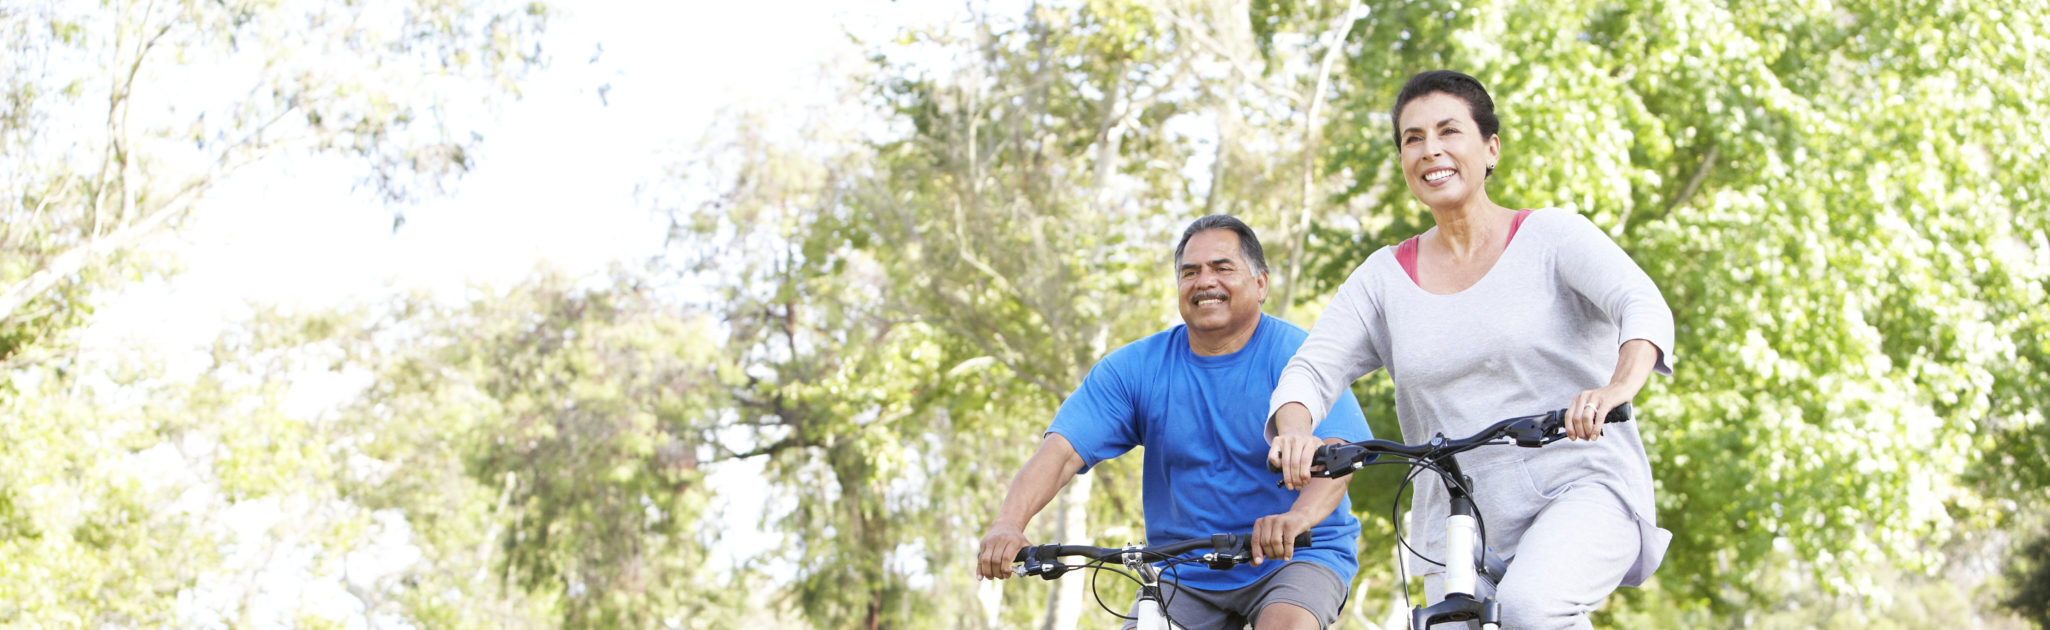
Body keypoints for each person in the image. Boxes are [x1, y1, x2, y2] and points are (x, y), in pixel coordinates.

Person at [1264, 70, 1676, 630]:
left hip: (1580, 485)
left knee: (1531, 608)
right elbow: (1311, 369)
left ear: (1490, 148)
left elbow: (1642, 307)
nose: (1429, 149)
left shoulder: (1552, 237)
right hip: (1453, 521)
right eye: (1412, 138)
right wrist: (1294, 429)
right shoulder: (1383, 278)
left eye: (1448, 131)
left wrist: (1616, 388)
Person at [975, 215, 1374, 630]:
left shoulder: (1301, 357)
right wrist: (1008, 523)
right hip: (1186, 568)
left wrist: (1297, 519)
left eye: (1222, 268)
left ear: (1261, 284)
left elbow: (1338, 461)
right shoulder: (1135, 369)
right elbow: (1060, 453)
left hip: (1296, 554)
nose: (1204, 282)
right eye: (1190, 272)